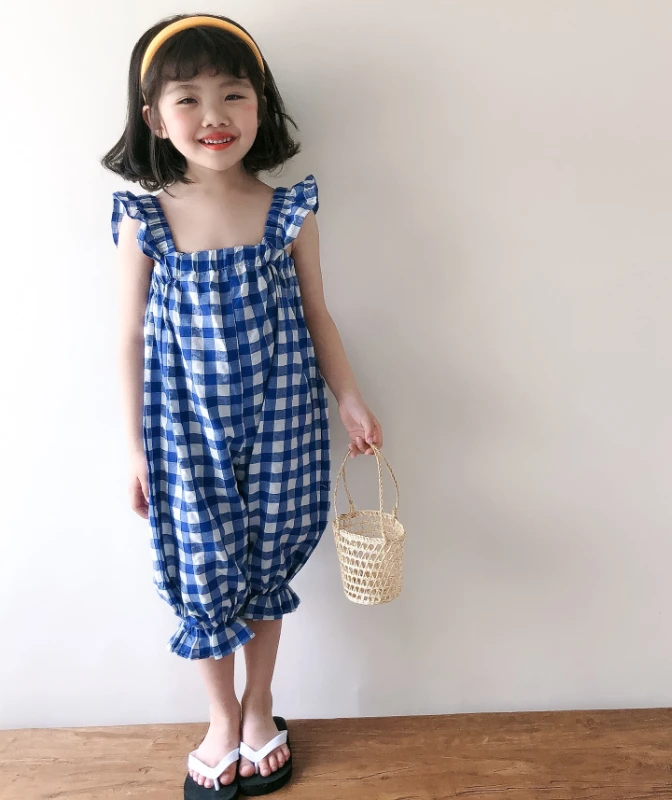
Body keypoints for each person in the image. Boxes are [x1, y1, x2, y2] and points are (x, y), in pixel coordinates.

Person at [102, 13, 383, 798]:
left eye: (233, 94)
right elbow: (127, 338)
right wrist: (135, 449)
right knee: (202, 573)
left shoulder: (289, 211)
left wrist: (350, 398)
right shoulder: (146, 219)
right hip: (182, 431)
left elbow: (318, 314)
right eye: (187, 98)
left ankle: (260, 709)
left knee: (264, 567)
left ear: (261, 105)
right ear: (155, 118)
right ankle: (220, 720)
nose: (214, 115)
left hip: (282, 417)